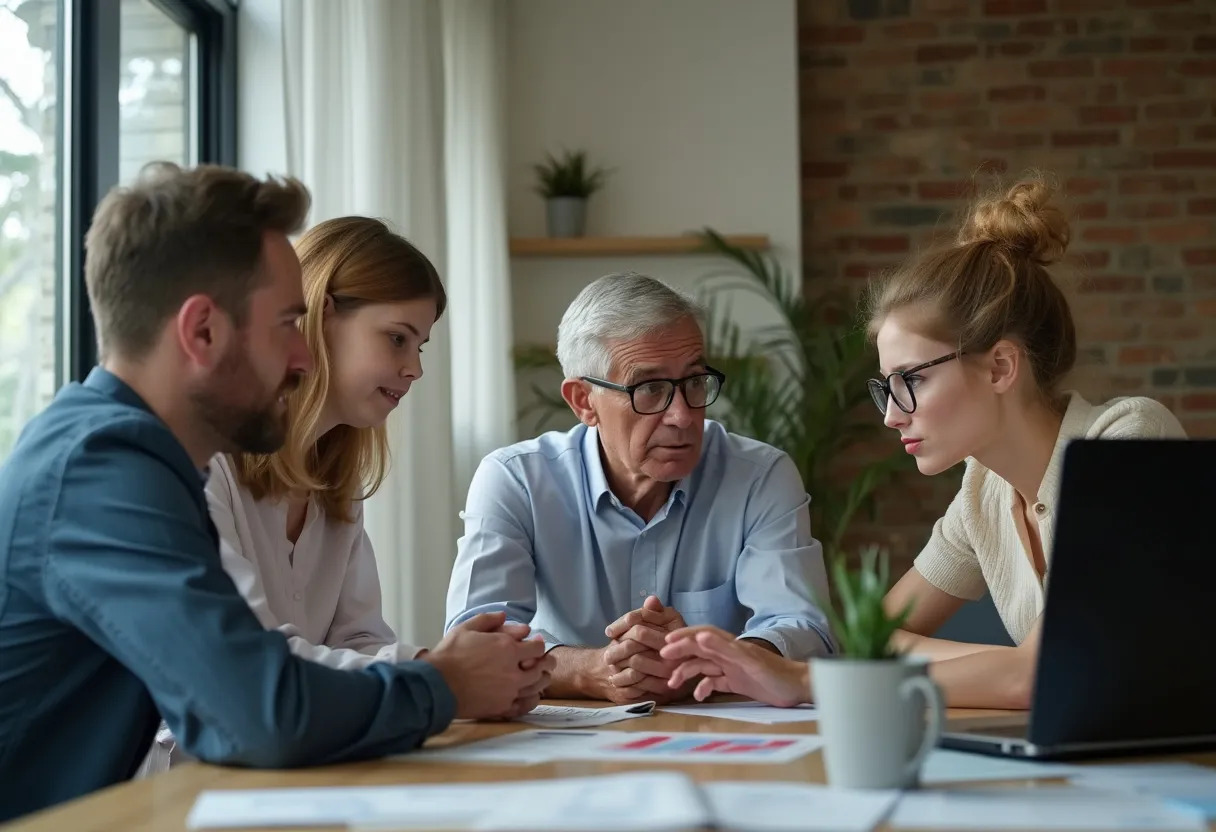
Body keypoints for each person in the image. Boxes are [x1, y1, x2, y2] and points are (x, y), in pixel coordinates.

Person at [0, 163, 551, 821]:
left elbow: (234, 707)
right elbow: (259, 713)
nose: (303, 356)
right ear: (202, 331)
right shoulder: (103, 467)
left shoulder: (147, 461)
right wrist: (446, 684)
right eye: (289, 323)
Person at [660, 173, 1185, 710]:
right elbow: (875, 640)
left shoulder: (1129, 438)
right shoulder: (983, 491)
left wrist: (804, 682)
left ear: (1001, 366)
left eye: (910, 380)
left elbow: (1042, 676)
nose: (890, 415)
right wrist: (1003, 665)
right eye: (884, 388)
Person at [138, 216, 550, 774]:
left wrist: (477, 670)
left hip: (301, 765)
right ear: (318, 316)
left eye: (421, 345)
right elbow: (256, 663)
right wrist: (441, 674)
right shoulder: (203, 462)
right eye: (398, 338)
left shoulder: (334, 481)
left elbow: (359, 640)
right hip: (187, 779)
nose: (416, 368)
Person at [445, 272, 835, 706]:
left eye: (693, 382)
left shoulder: (759, 476)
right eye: (650, 389)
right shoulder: (517, 480)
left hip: (719, 736)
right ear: (583, 401)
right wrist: (588, 671)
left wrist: (711, 662)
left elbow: (806, 629)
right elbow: (475, 642)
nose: (684, 416)